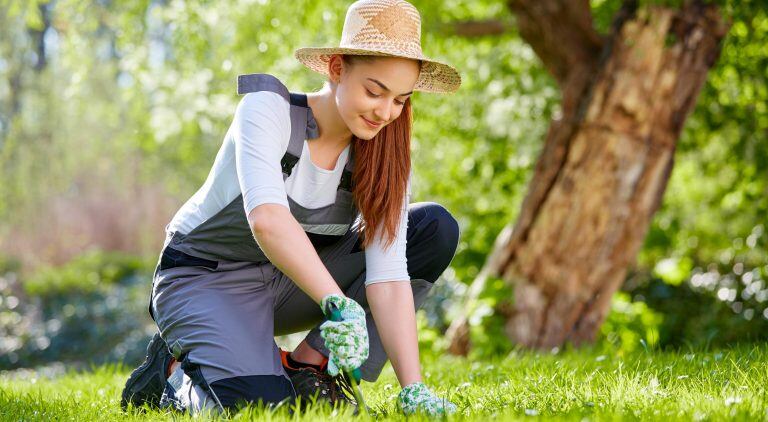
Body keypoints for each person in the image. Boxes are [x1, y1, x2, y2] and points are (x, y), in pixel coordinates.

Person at [120, 0, 462, 416]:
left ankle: (308, 366)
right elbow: (267, 220)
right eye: (375, 91)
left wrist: (414, 387)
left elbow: (388, 276)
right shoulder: (268, 110)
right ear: (337, 69)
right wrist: (338, 303)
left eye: (400, 100)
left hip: (287, 285)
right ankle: (174, 376)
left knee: (432, 229)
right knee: (267, 410)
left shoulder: (385, 157)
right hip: (204, 279)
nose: (385, 113)